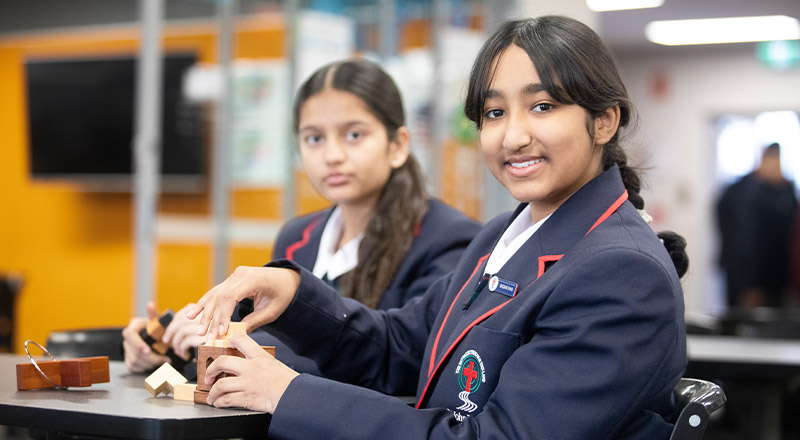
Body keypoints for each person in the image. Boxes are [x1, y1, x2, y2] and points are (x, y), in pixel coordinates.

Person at [189, 16, 689, 439]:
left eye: (542, 106)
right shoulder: (502, 237)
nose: (513, 135)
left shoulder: (621, 273)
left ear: (604, 121)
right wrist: (294, 295)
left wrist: (288, 395)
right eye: (494, 113)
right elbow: (400, 348)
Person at [122, 59, 481, 375]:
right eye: (314, 138)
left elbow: (405, 361)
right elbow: (268, 332)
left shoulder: (450, 240)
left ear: (399, 144)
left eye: (354, 134)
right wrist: (172, 341)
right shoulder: (297, 236)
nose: (333, 155)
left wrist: (229, 347)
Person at [716, 142, 798, 308]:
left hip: (779, 280)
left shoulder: (786, 191)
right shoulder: (741, 191)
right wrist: (748, 284)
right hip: (746, 279)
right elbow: (739, 239)